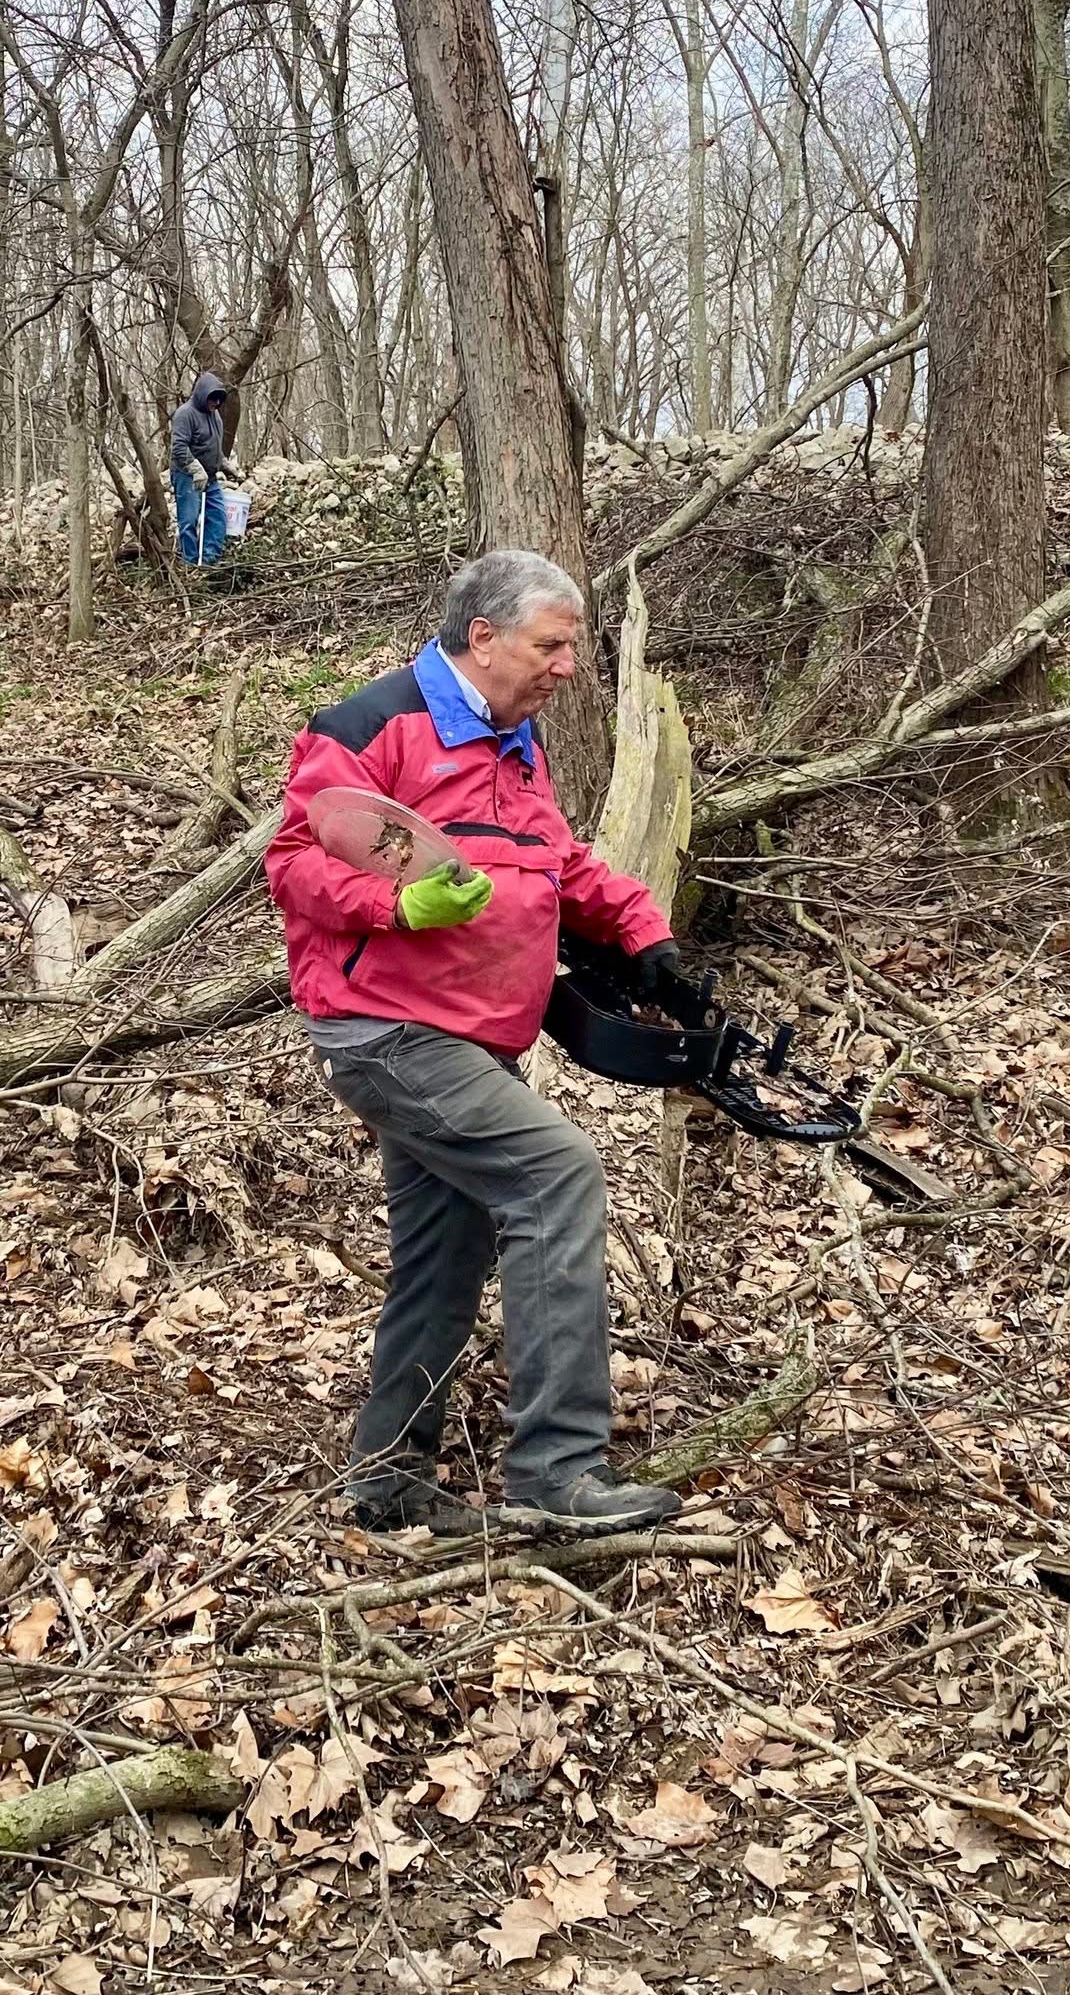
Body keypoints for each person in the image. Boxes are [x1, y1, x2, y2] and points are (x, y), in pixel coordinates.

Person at [265, 550, 685, 1537]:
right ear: (482, 636)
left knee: (444, 1251)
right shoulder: (372, 725)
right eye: (551, 645)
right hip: (387, 1031)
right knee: (556, 1175)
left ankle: (389, 1480)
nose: (567, 666)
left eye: (572, 647)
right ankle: (558, 1469)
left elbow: (556, 862)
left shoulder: (515, 742)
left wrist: (646, 936)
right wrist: (396, 905)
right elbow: (292, 864)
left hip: (473, 1039)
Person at [169, 372, 243, 567]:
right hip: (187, 475)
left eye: (219, 399)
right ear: (203, 394)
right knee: (189, 520)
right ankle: (190, 563)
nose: (216, 403)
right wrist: (195, 469)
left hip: (210, 476)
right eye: (213, 398)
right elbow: (178, 447)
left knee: (218, 516)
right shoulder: (185, 414)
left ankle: (209, 560)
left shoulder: (215, 416)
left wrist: (225, 465)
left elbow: (214, 446)